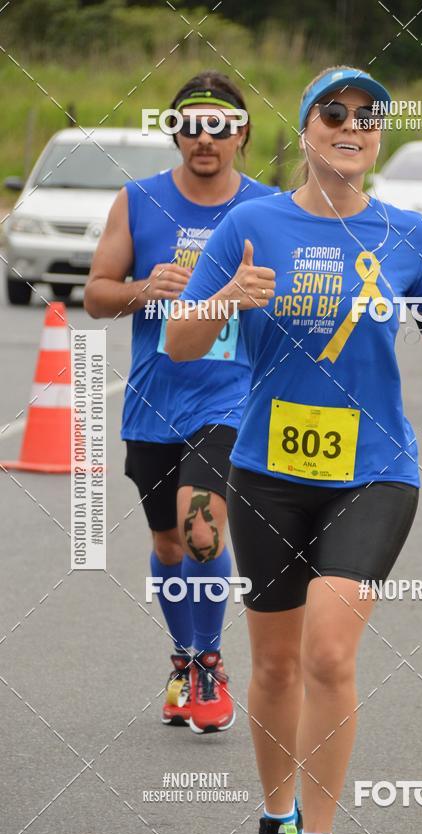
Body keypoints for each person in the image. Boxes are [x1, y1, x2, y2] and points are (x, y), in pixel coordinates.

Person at [166, 66, 422, 834]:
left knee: (330, 653)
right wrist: (227, 295)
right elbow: (181, 345)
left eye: (368, 116)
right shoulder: (251, 222)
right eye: (333, 112)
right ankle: (275, 830)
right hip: (268, 473)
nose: (353, 124)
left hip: (375, 473)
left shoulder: (407, 233)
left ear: (380, 135)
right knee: (272, 668)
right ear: (304, 129)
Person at [84, 71, 277, 734]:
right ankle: (185, 657)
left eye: (221, 126)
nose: (206, 138)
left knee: (201, 528)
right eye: (192, 124)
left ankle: (209, 662)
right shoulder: (137, 203)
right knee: (168, 543)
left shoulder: (269, 208)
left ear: (241, 133)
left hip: (232, 398)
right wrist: (144, 287)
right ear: (174, 131)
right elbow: (95, 294)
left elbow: (305, 298)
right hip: (154, 402)